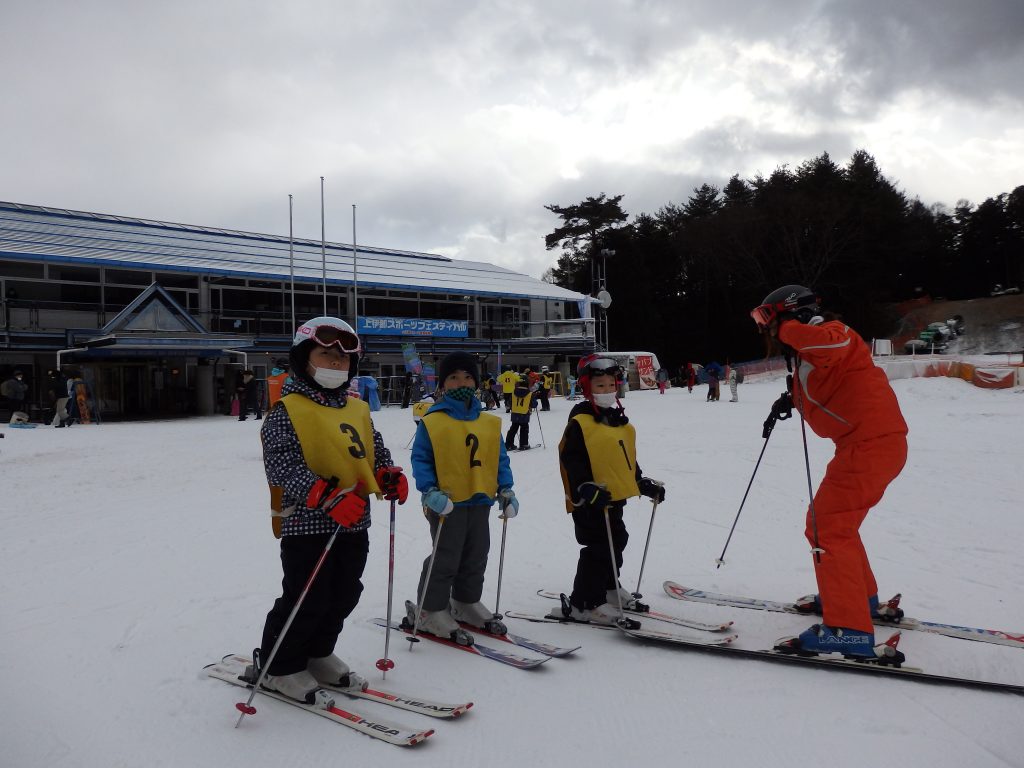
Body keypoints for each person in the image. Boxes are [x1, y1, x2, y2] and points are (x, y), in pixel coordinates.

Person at [251, 316, 408, 707]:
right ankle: (279, 664)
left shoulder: (356, 409)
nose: (335, 365)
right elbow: (282, 465)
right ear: (305, 358)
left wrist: (386, 473)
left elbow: (373, 450)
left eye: (342, 360)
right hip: (308, 523)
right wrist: (326, 496)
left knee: (344, 592)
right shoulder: (288, 409)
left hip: (354, 522)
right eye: (325, 355)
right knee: (307, 596)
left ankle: (318, 652)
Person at [750, 285, 908, 663]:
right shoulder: (813, 346)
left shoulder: (832, 332)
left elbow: (832, 349)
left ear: (791, 315)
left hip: (870, 446)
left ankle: (849, 631)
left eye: (771, 323)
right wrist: (790, 399)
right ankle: (859, 600)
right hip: (866, 445)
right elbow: (830, 380)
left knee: (827, 527)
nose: (770, 333)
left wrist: (788, 328)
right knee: (837, 526)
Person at [408, 351, 517, 645]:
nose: (461, 382)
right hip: (447, 503)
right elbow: (421, 458)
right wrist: (429, 491)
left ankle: (466, 601)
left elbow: (499, 458)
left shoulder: (488, 423)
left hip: (480, 497)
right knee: (446, 555)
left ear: (477, 382)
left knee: (476, 554)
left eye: (467, 376)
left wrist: (505, 489)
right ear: (443, 385)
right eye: (453, 377)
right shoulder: (433, 422)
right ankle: (429, 609)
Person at [550, 354, 666, 625]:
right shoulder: (580, 423)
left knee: (618, 540)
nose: (606, 390)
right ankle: (583, 603)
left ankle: (609, 587)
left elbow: (625, 459)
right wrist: (584, 487)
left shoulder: (619, 422)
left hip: (613, 497)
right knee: (599, 547)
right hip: (590, 500)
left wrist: (640, 482)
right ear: (587, 387)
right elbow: (572, 458)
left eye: (610, 384)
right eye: (599, 386)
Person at [504, 374, 533, 451]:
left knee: (513, 428)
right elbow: (534, 404)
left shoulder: (513, 392)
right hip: (524, 414)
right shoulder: (530, 393)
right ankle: (523, 444)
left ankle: (508, 444)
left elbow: (509, 402)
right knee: (524, 429)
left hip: (515, 414)